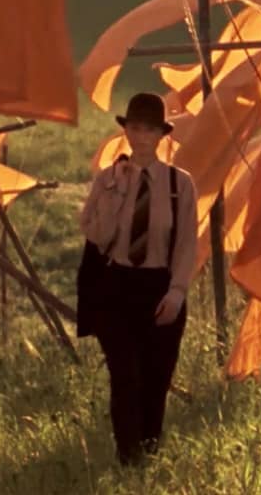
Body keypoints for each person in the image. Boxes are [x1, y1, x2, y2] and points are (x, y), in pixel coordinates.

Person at [79, 92, 198, 465]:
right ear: (126, 131)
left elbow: (185, 244)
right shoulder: (108, 179)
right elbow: (95, 235)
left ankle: (149, 450)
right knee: (125, 375)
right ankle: (128, 459)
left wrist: (177, 291)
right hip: (117, 286)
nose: (141, 135)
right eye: (134, 127)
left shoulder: (180, 184)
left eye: (149, 128)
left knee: (156, 377)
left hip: (160, 285)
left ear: (161, 134)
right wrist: (116, 195)